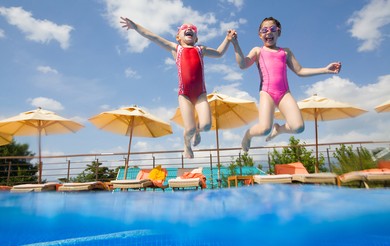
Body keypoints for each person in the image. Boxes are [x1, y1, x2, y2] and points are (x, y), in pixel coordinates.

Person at [120, 17, 236, 158]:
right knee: (190, 128)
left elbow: (219, 53)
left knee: (205, 125)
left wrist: (228, 39)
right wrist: (135, 26)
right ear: (178, 37)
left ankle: (198, 133)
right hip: (185, 95)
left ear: (196, 37)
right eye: (185, 28)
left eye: (193, 29)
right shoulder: (176, 49)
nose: (189, 29)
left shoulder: (201, 50)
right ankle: (187, 145)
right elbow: (153, 37)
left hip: (200, 94)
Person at [231, 17, 341, 152]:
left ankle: (279, 130)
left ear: (279, 32)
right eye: (264, 30)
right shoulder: (258, 51)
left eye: (272, 29)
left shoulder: (285, 52)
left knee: (298, 127)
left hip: (284, 93)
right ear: (260, 35)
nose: (268, 32)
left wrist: (325, 70)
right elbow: (243, 64)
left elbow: (300, 71)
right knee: (265, 129)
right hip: (267, 92)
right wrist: (235, 44)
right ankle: (248, 135)